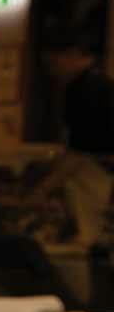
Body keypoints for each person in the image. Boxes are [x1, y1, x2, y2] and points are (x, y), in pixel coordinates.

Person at [37, 24, 114, 245]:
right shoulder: (98, 85)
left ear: (72, 55)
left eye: (53, 62)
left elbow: (80, 152)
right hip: (97, 176)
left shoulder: (84, 90)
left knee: (92, 239)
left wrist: (44, 189)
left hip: (97, 176)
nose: (51, 71)